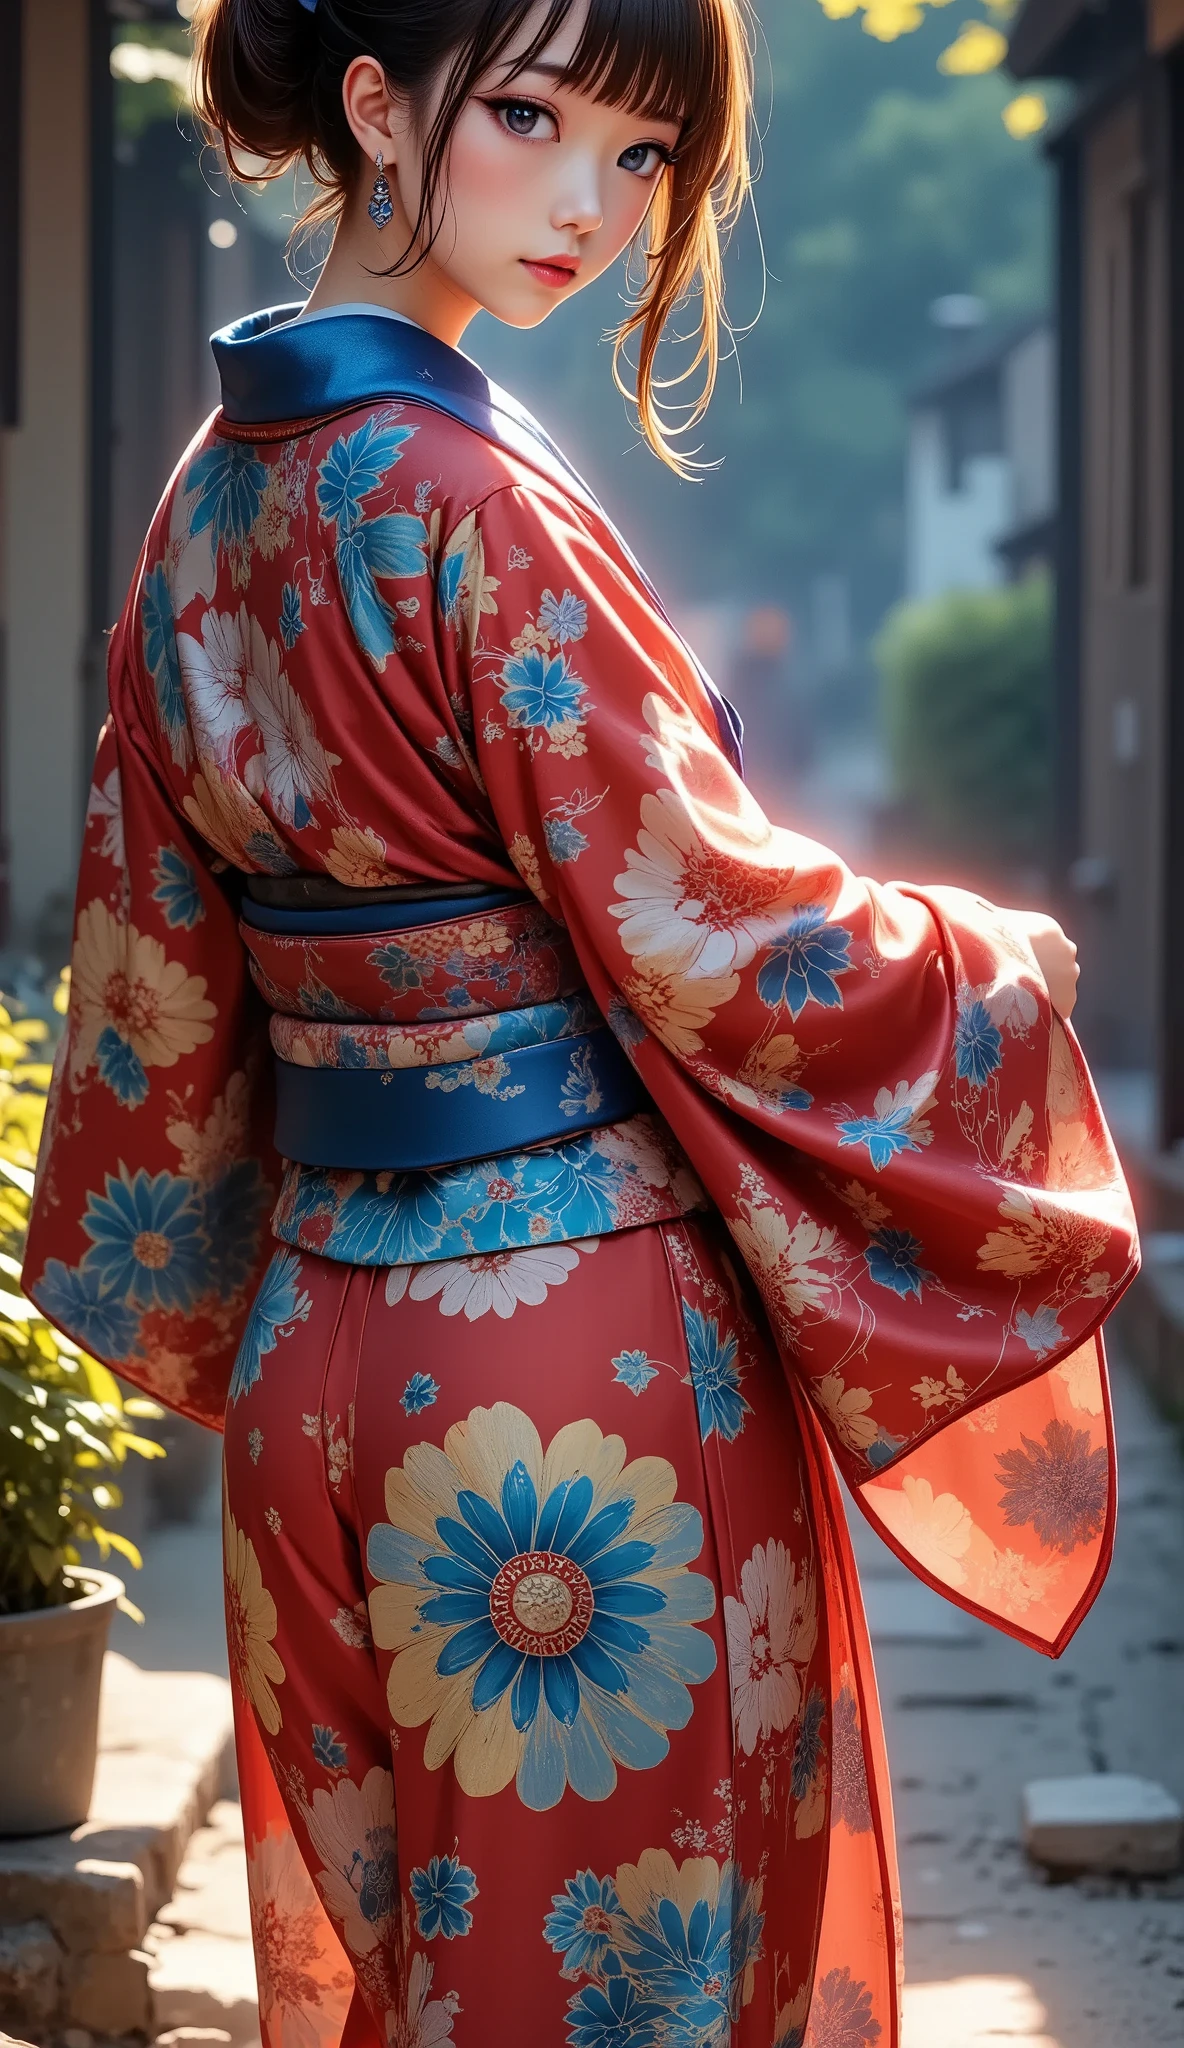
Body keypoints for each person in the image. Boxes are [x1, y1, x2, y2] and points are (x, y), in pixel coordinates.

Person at [25, 3, 1137, 2044]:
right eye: (532, 117)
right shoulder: (469, 499)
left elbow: (155, 982)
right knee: (619, 1983)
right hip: (565, 1362)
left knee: (414, 1985)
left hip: (315, 1364)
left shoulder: (207, 505)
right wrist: (972, 963)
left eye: (641, 157)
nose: (591, 204)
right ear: (373, 104)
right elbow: (695, 910)